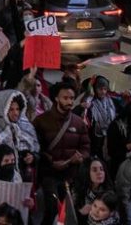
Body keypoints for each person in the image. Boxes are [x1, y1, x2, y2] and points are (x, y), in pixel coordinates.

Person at [34, 82, 90, 225]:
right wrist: (50, 160)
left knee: (67, 211)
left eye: (72, 98)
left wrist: (80, 157)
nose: (69, 102)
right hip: (49, 173)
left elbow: (86, 147)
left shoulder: (79, 123)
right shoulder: (41, 121)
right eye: (65, 98)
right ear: (56, 98)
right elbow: (35, 147)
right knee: (52, 208)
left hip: (70, 175)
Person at [0, 89, 40, 181]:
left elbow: (36, 152)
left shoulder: (26, 126)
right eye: (11, 109)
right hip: (0, 180)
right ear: (3, 110)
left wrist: (32, 157)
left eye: (17, 109)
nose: (16, 113)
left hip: (24, 178)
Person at [71, 158, 114, 225]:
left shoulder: (109, 192)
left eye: (101, 169)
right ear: (86, 172)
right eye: (94, 170)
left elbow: (114, 217)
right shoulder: (77, 191)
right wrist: (81, 212)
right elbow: (70, 215)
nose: (99, 173)